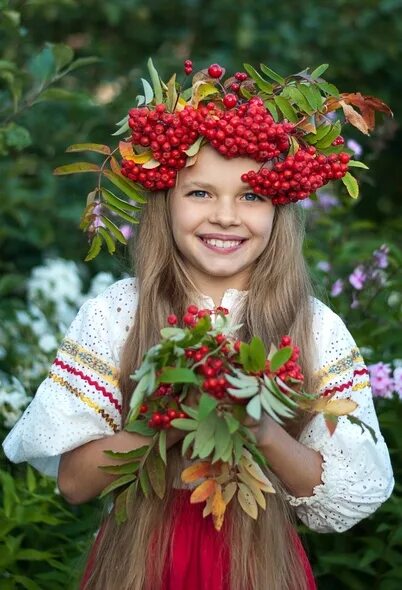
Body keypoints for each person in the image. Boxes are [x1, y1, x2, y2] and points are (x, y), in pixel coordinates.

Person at [3, 61, 394, 590]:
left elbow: (346, 497)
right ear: (164, 201)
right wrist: (159, 416)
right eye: (200, 193)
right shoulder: (120, 313)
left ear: (281, 206)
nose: (227, 216)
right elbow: (74, 484)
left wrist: (261, 428)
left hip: (258, 569)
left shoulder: (312, 325)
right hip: (139, 565)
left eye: (252, 195)